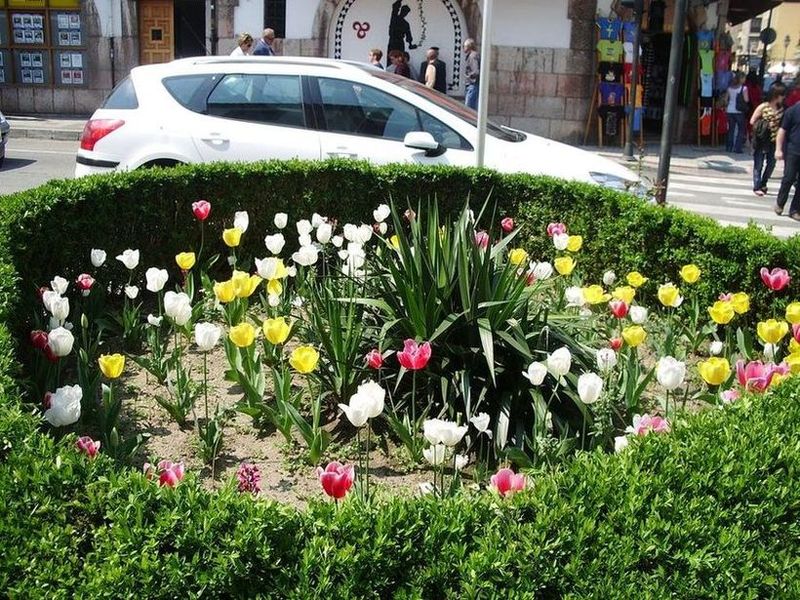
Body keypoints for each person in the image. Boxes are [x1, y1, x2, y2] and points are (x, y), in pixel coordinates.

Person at [750, 83, 786, 196]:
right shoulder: (763, 106)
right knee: (759, 164)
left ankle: (763, 183)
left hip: (774, 140)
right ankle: (757, 186)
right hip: (762, 139)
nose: (783, 97)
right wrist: (764, 124)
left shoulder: (782, 108)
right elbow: (752, 121)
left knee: (771, 164)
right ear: (776, 95)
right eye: (782, 95)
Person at [775, 99, 800, 220]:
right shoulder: (793, 111)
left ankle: (795, 210)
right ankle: (780, 203)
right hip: (793, 151)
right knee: (788, 178)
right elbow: (782, 130)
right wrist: (778, 149)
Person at [724, 74, 749, 153]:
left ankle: (729, 147)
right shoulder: (744, 88)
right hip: (739, 111)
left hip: (730, 110)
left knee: (731, 129)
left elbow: (725, 100)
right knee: (741, 129)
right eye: (744, 78)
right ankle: (737, 148)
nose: (745, 80)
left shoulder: (729, 88)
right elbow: (746, 99)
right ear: (741, 79)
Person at [463, 38, 479, 110]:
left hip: (472, 84)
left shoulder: (472, 56)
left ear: (468, 46)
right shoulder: (472, 55)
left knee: (469, 108)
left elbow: (476, 71)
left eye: (464, 46)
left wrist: (468, 76)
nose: (463, 48)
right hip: (472, 85)